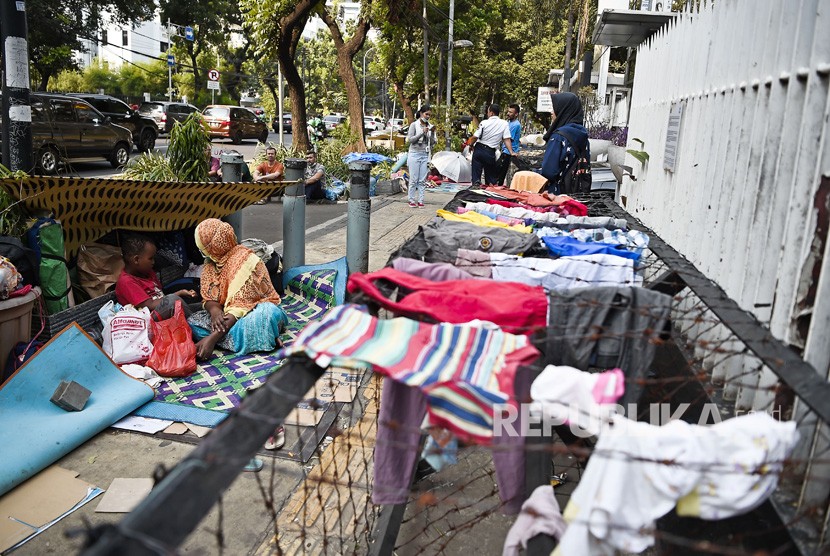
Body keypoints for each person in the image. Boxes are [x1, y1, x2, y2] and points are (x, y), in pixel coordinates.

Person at [187, 218, 287, 361]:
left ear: (211, 247)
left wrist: (212, 339)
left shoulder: (246, 261)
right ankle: (260, 338)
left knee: (266, 315)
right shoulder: (210, 264)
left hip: (254, 310)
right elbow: (208, 298)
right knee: (193, 320)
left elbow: (239, 307)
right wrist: (215, 311)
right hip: (228, 316)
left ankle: (255, 336)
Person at [115, 234, 196, 319]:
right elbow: (150, 306)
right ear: (136, 260)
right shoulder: (127, 282)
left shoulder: (148, 273)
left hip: (163, 310)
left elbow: (162, 297)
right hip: (149, 320)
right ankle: (195, 323)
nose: (153, 262)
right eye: (150, 258)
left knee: (203, 306)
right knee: (173, 300)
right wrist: (179, 293)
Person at [540, 92, 590, 194]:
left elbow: (548, 172)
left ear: (563, 110)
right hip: (577, 192)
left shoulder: (559, 137)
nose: (551, 112)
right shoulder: (582, 134)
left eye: (554, 108)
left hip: (557, 195)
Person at [463, 104, 516, 187]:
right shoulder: (504, 124)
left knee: (476, 174)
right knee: (490, 178)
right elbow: (507, 139)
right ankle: (489, 189)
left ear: (491, 113)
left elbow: (475, 137)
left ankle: (476, 186)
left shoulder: (484, 123)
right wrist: (511, 152)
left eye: (488, 111)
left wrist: (470, 145)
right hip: (490, 152)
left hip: (479, 150)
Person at [405, 105, 436, 208]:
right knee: (414, 179)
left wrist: (432, 133)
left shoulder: (430, 126)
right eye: (426, 114)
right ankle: (411, 199)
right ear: (421, 113)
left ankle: (421, 200)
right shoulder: (414, 125)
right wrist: (422, 133)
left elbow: (432, 143)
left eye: (429, 115)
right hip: (414, 154)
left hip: (425, 154)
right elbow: (410, 140)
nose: (427, 117)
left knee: (422, 180)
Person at [496, 104, 522, 186]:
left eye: (511, 112)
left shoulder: (515, 125)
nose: (508, 113)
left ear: (516, 114)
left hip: (508, 153)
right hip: (505, 151)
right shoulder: (509, 123)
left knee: (500, 175)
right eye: (508, 111)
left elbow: (508, 139)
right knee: (499, 174)